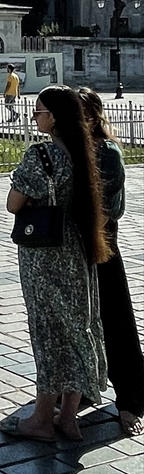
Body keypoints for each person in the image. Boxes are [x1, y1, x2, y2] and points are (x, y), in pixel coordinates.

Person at [1, 85, 110, 443]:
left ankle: (41, 419)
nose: (35, 117)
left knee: (47, 331)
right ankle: (69, 417)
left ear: (55, 117)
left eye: (39, 112)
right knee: (78, 328)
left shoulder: (42, 155)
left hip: (45, 255)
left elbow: (14, 203)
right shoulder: (85, 154)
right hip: (78, 251)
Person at [79, 88, 144, 437]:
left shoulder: (107, 153)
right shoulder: (64, 149)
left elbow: (109, 207)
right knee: (78, 323)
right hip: (69, 250)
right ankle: (79, 388)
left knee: (116, 320)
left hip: (103, 246)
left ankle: (131, 400)